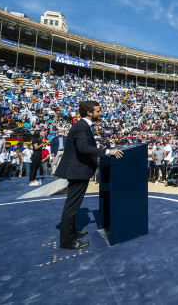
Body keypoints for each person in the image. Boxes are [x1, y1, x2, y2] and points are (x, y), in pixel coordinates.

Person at [55, 101, 123, 250]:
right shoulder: (81, 126)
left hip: (79, 170)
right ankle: (66, 241)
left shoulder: (83, 126)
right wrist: (107, 152)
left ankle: (71, 233)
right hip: (77, 171)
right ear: (89, 113)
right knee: (72, 206)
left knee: (73, 205)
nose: (100, 113)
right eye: (98, 111)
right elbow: (83, 147)